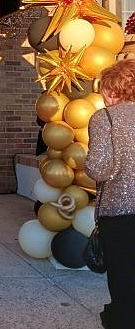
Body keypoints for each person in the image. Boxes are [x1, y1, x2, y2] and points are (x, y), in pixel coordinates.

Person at [84, 59, 135, 329]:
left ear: (112, 90)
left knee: (123, 278)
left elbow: (98, 168)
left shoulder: (105, 118)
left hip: (119, 211)